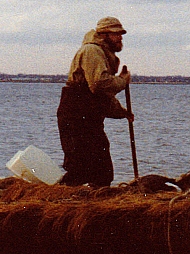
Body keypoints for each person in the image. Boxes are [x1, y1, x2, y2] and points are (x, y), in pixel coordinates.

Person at [56, 17, 133, 187]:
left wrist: (122, 112)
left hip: (89, 117)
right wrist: (122, 80)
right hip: (75, 116)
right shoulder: (92, 51)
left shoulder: (105, 55)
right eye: (116, 34)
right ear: (104, 34)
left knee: (102, 170)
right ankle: (64, 202)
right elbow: (99, 84)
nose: (120, 38)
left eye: (121, 34)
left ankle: (95, 205)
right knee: (80, 168)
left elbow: (102, 97)